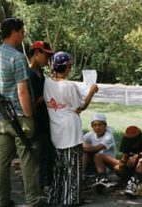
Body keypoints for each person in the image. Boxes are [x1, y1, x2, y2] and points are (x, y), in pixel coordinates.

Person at [0, 18, 40, 207]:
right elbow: (23, 90)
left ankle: (2, 200)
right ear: (15, 32)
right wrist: (29, 114)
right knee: (28, 159)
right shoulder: (17, 57)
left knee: (2, 161)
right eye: (22, 31)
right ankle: (33, 201)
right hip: (19, 115)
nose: (23, 35)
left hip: (2, 117)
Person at [43, 51, 98, 206]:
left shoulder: (47, 83)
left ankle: (56, 196)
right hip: (70, 130)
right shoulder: (69, 85)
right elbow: (81, 106)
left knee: (59, 168)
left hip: (56, 129)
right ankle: (70, 199)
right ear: (67, 67)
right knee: (73, 168)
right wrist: (91, 92)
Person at [93, 125, 142, 197]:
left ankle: (134, 183)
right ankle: (102, 178)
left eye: (132, 140)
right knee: (98, 156)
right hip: (129, 169)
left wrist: (137, 156)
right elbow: (124, 156)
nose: (130, 141)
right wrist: (122, 164)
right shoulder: (126, 140)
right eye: (128, 139)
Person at [28, 40, 55, 192]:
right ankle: (39, 187)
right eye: (46, 55)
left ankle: (48, 184)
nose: (48, 59)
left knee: (48, 153)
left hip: (46, 120)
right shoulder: (30, 74)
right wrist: (47, 95)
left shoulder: (41, 74)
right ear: (36, 53)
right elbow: (31, 101)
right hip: (37, 121)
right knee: (41, 155)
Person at [82, 112, 116, 186]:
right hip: (94, 162)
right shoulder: (89, 135)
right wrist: (84, 147)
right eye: (95, 125)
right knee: (85, 153)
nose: (97, 127)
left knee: (93, 153)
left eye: (100, 125)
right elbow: (82, 144)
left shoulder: (108, 137)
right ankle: (82, 175)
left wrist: (84, 147)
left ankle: (102, 177)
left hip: (105, 165)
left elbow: (96, 149)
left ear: (105, 126)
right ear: (92, 127)